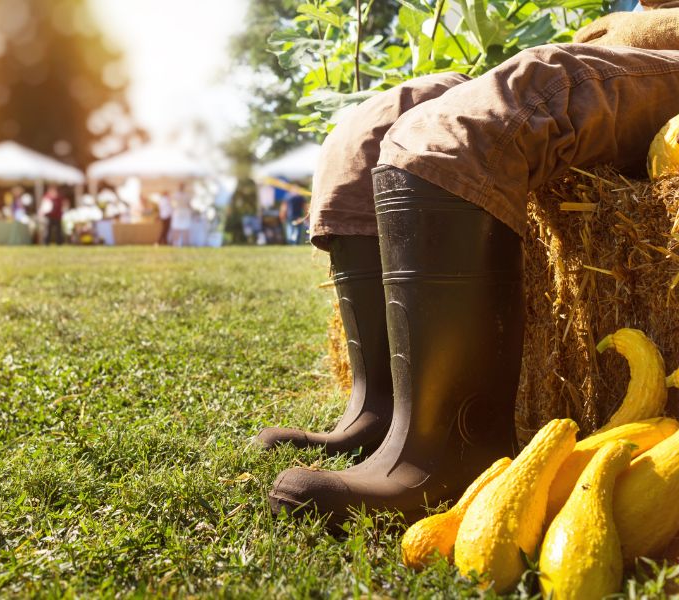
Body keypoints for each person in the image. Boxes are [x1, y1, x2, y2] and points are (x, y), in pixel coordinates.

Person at [257, 4, 679, 526]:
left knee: (489, 116)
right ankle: (381, 411)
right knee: (370, 128)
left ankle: (452, 449)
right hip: (623, 50)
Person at [169, 183, 192, 247]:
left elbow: (189, 204)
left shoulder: (187, 195)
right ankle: (175, 244)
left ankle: (185, 244)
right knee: (176, 229)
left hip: (184, 213)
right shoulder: (175, 195)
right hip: (178, 213)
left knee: (185, 229)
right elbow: (172, 204)